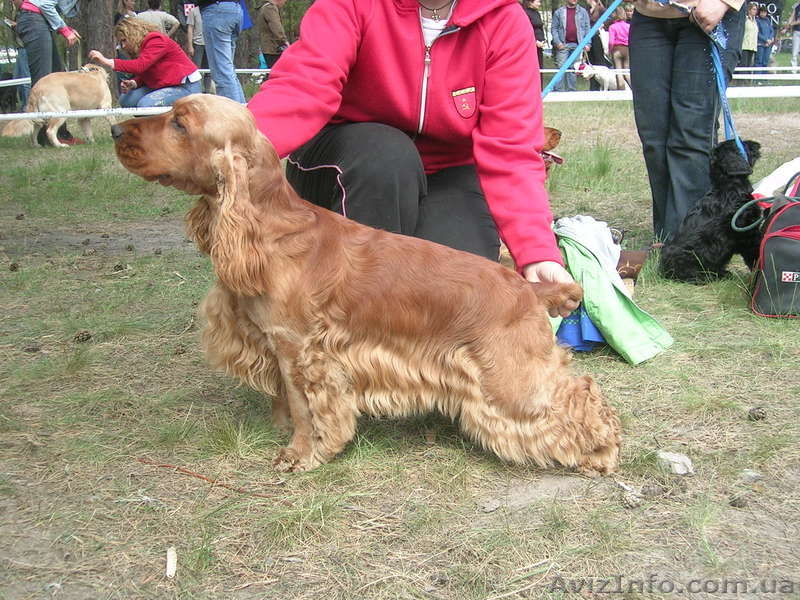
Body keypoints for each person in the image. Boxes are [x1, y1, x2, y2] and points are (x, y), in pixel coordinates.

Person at [247, 0, 577, 317]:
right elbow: (303, 86)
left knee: (457, 301)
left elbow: (511, 148)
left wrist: (537, 253)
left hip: (445, 170)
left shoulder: (504, 20)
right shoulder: (350, 4)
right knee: (386, 155)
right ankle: (347, 328)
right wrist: (239, 147)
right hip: (349, 159)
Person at [629, 0, 746, 242]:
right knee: (654, 135)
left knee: (691, 133)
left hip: (709, 14)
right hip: (649, 17)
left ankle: (689, 243)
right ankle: (667, 237)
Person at [88, 17, 201, 107]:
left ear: (132, 34)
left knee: (146, 105)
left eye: (124, 40)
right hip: (165, 85)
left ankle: (159, 131)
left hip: (185, 86)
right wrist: (134, 83)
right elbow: (149, 71)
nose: (123, 46)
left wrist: (107, 61)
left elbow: (140, 66)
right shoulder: (144, 46)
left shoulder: (156, 40)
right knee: (127, 100)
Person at [13, 0, 82, 145]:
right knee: (43, 82)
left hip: (41, 21)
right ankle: (46, 137)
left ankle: (59, 134)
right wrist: (65, 30)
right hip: (33, 20)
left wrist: (64, 27)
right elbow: (44, 4)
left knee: (57, 78)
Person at [197, 0, 246, 103]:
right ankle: (243, 112)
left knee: (222, 74)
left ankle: (232, 116)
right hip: (235, 9)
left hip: (217, 11)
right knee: (228, 71)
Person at [551, 0, 591, 92]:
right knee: (561, 67)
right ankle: (558, 91)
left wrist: (588, 43)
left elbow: (587, 28)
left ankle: (571, 91)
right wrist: (558, 42)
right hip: (563, 45)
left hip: (578, 45)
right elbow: (554, 28)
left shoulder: (583, 12)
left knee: (573, 68)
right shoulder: (559, 12)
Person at [586, 0, 613, 91]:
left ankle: (604, 84)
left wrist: (603, 25)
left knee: (599, 62)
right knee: (590, 63)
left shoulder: (601, 8)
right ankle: (593, 86)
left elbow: (610, 18)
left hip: (598, 38)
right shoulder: (587, 9)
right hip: (589, 39)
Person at [186, 4, 213, 93]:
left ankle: (207, 91)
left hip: (210, 43)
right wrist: (190, 45)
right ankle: (196, 91)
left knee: (209, 70)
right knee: (196, 70)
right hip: (198, 43)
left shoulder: (211, 10)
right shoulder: (193, 11)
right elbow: (190, 28)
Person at [256, 0, 289, 69]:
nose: (285, 2)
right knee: (277, 71)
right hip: (273, 48)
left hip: (269, 47)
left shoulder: (264, 7)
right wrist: (284, 41)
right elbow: (276, 27)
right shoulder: (270, 8)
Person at [523, 0, 546, 87]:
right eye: (538, 2)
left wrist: (543, 40)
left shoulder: (537, 13)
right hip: (531, 46)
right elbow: (526, 30)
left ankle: (539, 88)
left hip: (540, 45)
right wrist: (535, 41)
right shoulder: (525, 13)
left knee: (539, 67)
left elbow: (540, 27)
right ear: (531, 2)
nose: (539, 4)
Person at [607, 7, 630, 89]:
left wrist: (609, 51)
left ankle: (621, 91)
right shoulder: (629, 26)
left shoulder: (612, 27)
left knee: (618, 72)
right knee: (627, 72)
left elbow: (611, 42)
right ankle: (634, 89)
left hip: (617, 50)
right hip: (627, 49)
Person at [755, 5, 774, 71]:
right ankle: (757, 79)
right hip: (760, 44)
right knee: (759, 61)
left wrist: (770, 39)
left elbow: (771, 31)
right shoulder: (757, 21)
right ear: (759, 13)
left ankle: (764, 79)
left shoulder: (767, 20)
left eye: (765, 12)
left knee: (765, 62)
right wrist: (766, 40)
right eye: (762, 12)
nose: (763, 14)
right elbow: (757, 33)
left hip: (768, 45)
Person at [739, 2, 757, 68]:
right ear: (749, 10)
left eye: (756, 9)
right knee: (743, 65)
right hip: (745, 46)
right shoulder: (745, 19)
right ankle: (742, 78)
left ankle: (747, 78)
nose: (755, 11)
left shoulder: (755, 21)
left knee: (749, 65)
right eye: (754, 9)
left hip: (752, 46)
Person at [788, 1, 800, 71]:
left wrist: (791, 24)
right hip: (796, 31)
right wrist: (787, 25)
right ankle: (793, 70)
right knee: (794, 52)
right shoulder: (797, 5)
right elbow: (792, 16)